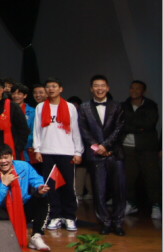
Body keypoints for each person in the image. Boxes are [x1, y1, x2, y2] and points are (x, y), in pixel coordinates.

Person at [78, 75, 127, 235]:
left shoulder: (117, 106)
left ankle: (118, 223)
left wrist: (105, 146)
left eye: (102, 85)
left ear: (107, 88)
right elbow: (84, 131)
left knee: (119, 190)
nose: (100, 88)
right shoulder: (84, 107)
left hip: (114, 153)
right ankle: (104, 223)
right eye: (96, 86)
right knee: (99, 191)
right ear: (91, 89)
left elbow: (119, 129)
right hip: (95, 155)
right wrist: (97, 147)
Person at [33, 78, 83, 232]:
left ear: (60, 89)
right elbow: (37, 130)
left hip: (67, 152)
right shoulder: (41, 107)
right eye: (48, 87)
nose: (51, 89)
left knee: (68, 186)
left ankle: (69, 217)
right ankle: (54, 216)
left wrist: (78, 151)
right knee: (51, 186)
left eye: (54, 86)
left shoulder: (70, 107)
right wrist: (37, 149)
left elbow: (75, 129)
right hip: (47, 152)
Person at [0, 143, 51, 251]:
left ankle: (36, 236)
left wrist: (40, 187)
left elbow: (36, 179)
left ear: (12, 157)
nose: (3, 161)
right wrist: (4, 185)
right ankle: (5, 238)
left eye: (6, 157)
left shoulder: (24, 166)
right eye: (0, 158)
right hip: (4, 211)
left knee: (42, 198)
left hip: (22, 206)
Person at [120, 80, 161, 219]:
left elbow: (149, 124)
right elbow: (121, 125)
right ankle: (130, 203)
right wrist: (139, 127)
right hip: (127, 147)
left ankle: (156, 205)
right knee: (128, 178)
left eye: (138, 89)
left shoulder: (150, 105)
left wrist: (131, 125)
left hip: (147, 147)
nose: (134, 91)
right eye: (132, 88)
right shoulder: (123, 105)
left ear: (144, 91)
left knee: (152, 177)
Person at [0, 78, 32, 158]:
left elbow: (24, 130)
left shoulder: (13, 106)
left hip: (11, 149)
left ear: (2, 90)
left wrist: (18, 148)